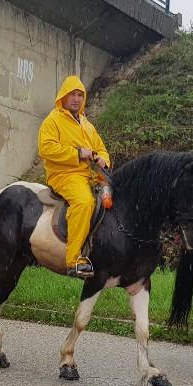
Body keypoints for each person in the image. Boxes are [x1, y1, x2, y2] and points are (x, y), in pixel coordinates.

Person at [37, 75, 111, 279]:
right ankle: (74, 260)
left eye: (80, 95)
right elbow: (46, 149)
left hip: (91, 175)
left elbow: (101, 149)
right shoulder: (53, 120)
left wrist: (104, 160)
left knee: (116, 198)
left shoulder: (87, 124)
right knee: (84, 202)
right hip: (64, 175)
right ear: (63, 97)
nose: (76, 99)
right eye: (72, 95)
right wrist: (77, 153)